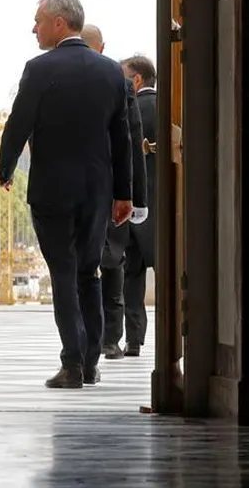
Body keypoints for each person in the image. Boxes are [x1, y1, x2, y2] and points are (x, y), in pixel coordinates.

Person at [0, 0, 133, 389]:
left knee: (63, 272)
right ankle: (91, 362)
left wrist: (4, 170)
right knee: (89, 272)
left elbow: (19, 123)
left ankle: (71, 362)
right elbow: (120, 138)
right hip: (97, 190)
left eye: (38, 20)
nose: (34, 28)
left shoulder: (39, 68)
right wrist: (123, 193)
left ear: (59, 23)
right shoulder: (111, 73)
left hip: (52, 188)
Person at [80, 25, 149, 360]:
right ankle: (109, 339)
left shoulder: (55, 79)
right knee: (112, 264)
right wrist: (136, 198)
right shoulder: (120, 85)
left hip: (74, 191)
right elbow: (132, 146)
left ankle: (83, 342)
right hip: (111, 191)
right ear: (102, 47)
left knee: (80, 267)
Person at [120, 55, 158, 357]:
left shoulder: (127, 110)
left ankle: (133, 339)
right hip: (166, 209)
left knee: (131, 274)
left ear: (136, 80)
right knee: (169, 272)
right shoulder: (171, 107)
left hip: (132, 204)